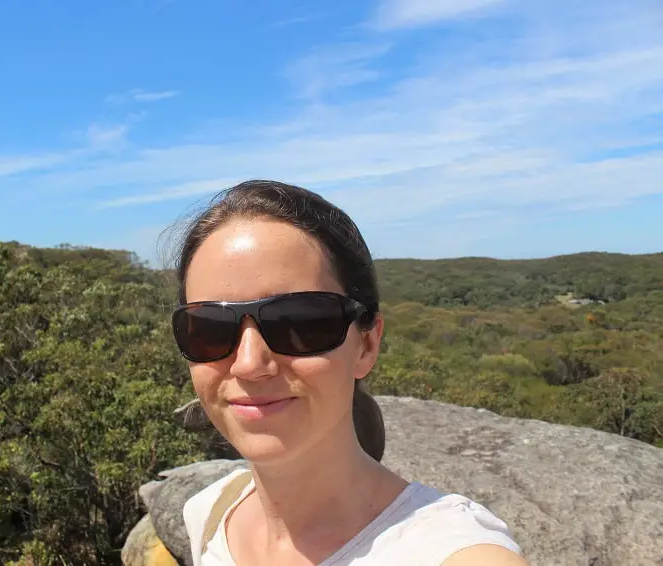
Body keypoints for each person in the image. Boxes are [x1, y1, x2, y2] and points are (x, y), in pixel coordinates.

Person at [169, 180, 526, 566]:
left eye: (300, 323)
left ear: (367, 345)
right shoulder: (211, 513)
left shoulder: (448, 551)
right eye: (210, 327)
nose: (250, 364)